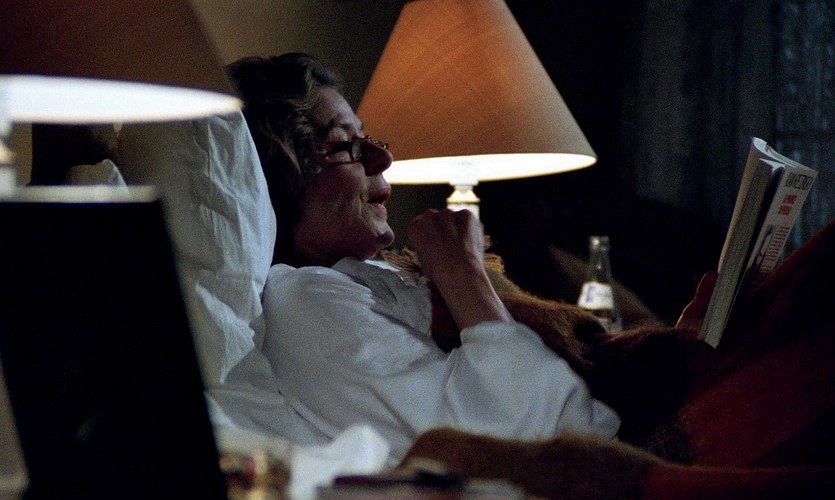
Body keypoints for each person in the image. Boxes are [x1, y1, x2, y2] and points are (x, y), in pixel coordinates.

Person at [227, 53, 620, 459]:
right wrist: (464, 274)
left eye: (369, 139)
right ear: (285, 177)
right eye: (348, 146)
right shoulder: (305, 302)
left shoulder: (370, 276)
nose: (383, 159)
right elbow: (511, 435)